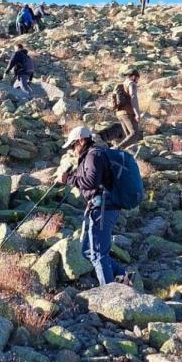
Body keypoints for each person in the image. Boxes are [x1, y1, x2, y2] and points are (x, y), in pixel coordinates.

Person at [60, 126, 126, 286]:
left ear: (81, 141)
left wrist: (68, 179)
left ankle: (109, 294)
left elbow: (91, 182)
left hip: (103, 207)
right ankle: (122, 274)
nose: (72, 150)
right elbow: (91, 178)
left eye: (72, 145)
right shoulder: (93, 155)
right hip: (100, 206)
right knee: (88, 251)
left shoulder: (94, 155)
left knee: (97, 253)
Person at [112, 68, 142, 150]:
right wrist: (137, 114)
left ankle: (121, 153)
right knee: (134, 134)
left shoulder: (121, 85)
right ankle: (117, 148)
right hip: (128, 113)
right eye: (137, 78)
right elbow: (133, 98)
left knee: (128, 136)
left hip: (119, 114)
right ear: (133, 77)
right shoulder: (131, 84)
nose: (137, 81)